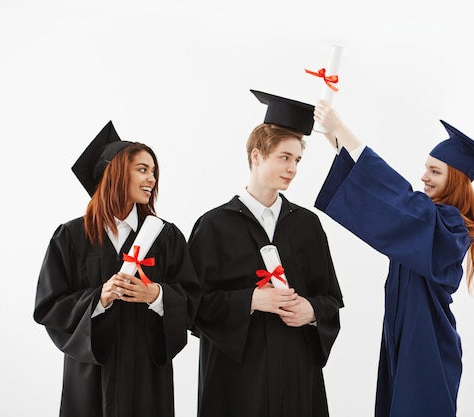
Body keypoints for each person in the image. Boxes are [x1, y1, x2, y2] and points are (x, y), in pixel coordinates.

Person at [313, 101, 474, 417]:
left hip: (427, 344)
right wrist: (334, 136)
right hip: (403, 336)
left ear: (455, 179)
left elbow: (399, 200)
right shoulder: (430, 217)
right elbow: (391, 205)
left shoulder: (453, 225)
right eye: (426, 168)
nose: (424, 177)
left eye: (435, 171)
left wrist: (344, 131)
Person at [187, 90, 344, 417]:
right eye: (284, 157)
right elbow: (192, 305)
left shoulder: (306, 225)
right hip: (237, 376)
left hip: (295, 369)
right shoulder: (214, 225)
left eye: (297, 160)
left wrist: (310, 311)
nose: (293, 168)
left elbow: (329, 299)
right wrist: (251, 300)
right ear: (257, 156)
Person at [33, 121, 201, 417]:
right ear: (116, 174)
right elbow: (49, 306)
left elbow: (192, 299)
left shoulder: (165, 237)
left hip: (147, 377)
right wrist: (99, 298)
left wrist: (157, 295)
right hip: (92, 376)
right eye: (142, 169)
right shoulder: (71, 237)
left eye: (153, 171)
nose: (152, 178)